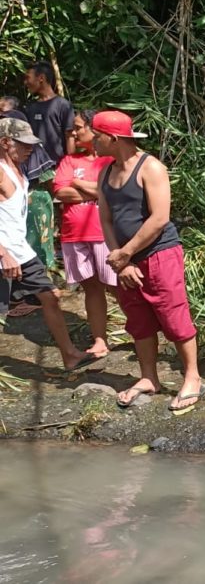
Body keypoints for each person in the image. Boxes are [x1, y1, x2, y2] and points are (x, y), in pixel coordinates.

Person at [93, 111, 203, 410]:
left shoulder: (150, 167)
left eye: (97, 135)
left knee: (173, 314)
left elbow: (159, 218)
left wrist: (126, 253)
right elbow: (105, 219)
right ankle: (148, 377)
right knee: (138, 319)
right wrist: (122, 261)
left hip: (159, 254)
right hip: (125, 260)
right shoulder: (105, 172)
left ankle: (192, 377)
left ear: (113, 138)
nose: (92, 140)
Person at [0, 118, 93, 369]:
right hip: (5, 253)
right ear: (5, 142)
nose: (30, 149)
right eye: (23, 144)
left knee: (50, 296)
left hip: (20, 250)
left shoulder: (17, 169)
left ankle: (69, 354)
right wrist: (3, 254)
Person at [51, 109, 117, 358]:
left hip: (105, 234)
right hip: (75, 234)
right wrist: (96, 190)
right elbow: (60, 192)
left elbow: (113, 190)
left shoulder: (110, 160)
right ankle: (100, 339)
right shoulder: (70, 161)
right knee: (91, 288)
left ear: (94, 129)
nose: (74, 132)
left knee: (119, 287)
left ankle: (143, 332)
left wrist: (78, 184)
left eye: (79, 127)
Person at [22, 62, 74, 272]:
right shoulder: (30, 108)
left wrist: (70, 165)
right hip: (35, 171)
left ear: (41, 78)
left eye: (29, 77)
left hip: (59, 167)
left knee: (64, 210)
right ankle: (46, 259)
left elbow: (70, 135)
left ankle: (68, 259)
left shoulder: (62, 105)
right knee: (41, 211)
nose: (26, 82)